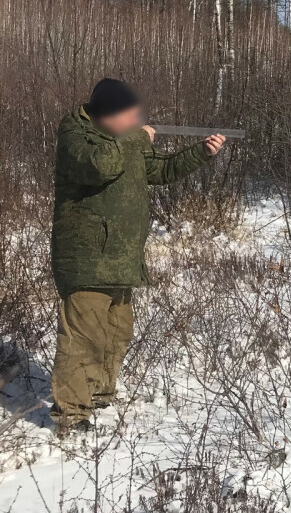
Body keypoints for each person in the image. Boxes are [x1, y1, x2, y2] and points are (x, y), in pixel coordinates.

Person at [50, 78, 226, 434]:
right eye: (128, 116)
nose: (135, 122)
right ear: (107, 114)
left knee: (116, 332)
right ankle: (71, 414)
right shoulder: (76, 135)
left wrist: (201, 153)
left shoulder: (126, 139)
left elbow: (158, 170)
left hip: (121, 255)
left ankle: (98, 394)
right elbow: (100, 166)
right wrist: (135, 138)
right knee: (84, 336)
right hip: (86, 256)